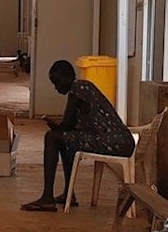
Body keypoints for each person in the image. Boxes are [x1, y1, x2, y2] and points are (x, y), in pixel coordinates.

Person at [21, 60, 135, 212]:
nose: (56, 88)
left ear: (68, 77)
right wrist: (59, 128)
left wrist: (56, 127)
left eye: (57, 82)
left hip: (114, 142)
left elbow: (66, 125)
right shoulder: (84, 87)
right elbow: (70, 128)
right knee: (64, 139)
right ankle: (69, 193)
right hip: (120, 141)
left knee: (52, 137)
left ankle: (47, 198)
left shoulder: (78, 88)